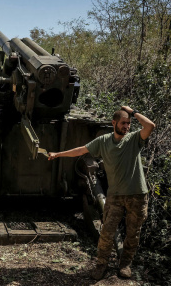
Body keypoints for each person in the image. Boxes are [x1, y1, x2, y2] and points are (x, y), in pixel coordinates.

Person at [48, 106, 155, 280]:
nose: (126, 126)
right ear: (114, 123)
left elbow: (150, 126)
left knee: (133, 233)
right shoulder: (103, 141)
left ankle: (125, 264)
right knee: (106, 232)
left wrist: (133, 112)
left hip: (137, 195)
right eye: (123, 123)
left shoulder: (134, 139)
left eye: (128, 123)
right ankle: (101, 265)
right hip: (115, 196)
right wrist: (58, 154)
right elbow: (81, 150)